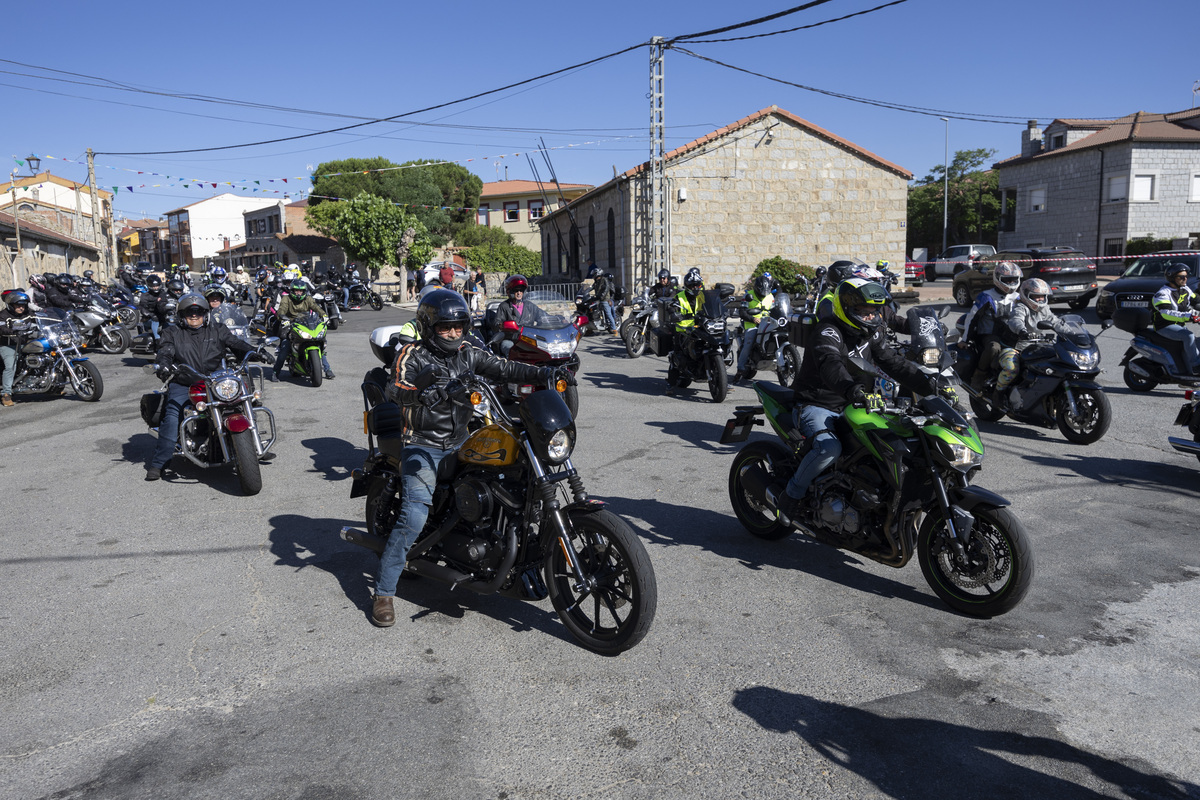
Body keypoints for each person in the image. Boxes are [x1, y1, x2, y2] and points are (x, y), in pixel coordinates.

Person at [371, 289, 574, 627]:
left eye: (459, 327)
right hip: (423, 444)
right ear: (428, 327)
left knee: (515, 472)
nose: (453, 334)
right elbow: (396, 387)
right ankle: (383, 591)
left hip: (464, 438)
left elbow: (505, 366)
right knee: (413, 518)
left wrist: (545, 373)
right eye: (445, 328)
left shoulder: (469, 352)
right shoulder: (412, 354)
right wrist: (421, 394)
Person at [775, 278, 947, 524]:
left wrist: (930, 385)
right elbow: (831, 366)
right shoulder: (828, 331)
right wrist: (854, 390)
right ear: (845, 308)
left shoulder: (871, 332)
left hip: (857, 403)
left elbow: (892, 362)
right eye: (862, 311)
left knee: (893, 442)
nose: (869, 317)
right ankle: (791, 495)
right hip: (817, 404)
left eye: (873, 311)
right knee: (829, 448)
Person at [146, 293, 264, 481]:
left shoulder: (218, 329)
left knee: (244, 401)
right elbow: (165, 351)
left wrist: (255, 351)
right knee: (172, 414)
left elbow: (235, 343)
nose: (194, 315)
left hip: (215, 381)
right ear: (181, 315)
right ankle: (159, 462)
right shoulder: (172, 332)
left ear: (206, 313)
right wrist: (164, 365)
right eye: (189, 312)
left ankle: (254, 446)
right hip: (185, 382)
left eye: (199, 311)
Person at [995, 278, 1073, 399]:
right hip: (1015, 347)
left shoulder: (1044, 309)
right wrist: (1022, 331)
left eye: (1042, 296)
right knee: (1011, 369)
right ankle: (998, 393)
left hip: (1034, 346)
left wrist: (1073, 333)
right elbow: (1016, 320)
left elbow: (1055, 322)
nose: (1040, 299)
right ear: (1026, 295)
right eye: (1036, 296)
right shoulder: (1020, 307)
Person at [960, 261, 1022, 392]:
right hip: (990, 335)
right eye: (1007, 280)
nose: (1011, 283)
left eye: (1013, 280)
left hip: (1012, 334)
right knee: (994, 348)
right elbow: (972, 317)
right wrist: (965, 340)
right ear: (998, 279)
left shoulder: (1018, 297)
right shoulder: (986, 296)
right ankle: (979, 375)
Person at [272, 279, 334, 381]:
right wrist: (283, 318)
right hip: (290, 324)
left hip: (305, 324)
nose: (298, 293)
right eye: (296, 290)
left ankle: (328, 369)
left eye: (301, 291)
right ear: (292, 290)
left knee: (318, 342)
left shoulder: (308, 298)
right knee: (285, 347)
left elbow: (316, 307)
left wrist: (324, 315)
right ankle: (275, 372)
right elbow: (281, 310)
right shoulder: (286, 299)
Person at [1151, 262, 1200, 375]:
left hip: (1180, 325)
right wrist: (1189, 316)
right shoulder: (1163, 294)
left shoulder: (1185, 289)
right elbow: (1166, 313)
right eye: (1181, 277)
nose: (1185, 279)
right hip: (1164, 326)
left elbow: (1196, 300)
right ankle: (1196, 367)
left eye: (1186, 276)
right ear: (1172, 278)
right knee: (1189, 336)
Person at [733, 273, 778, 382]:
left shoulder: (770, 296)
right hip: (752, 324)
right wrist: (753, 319)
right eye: (762, 291)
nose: (764, 294)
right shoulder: (748, 296)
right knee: (749, 342)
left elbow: (775, 310)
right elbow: (742, 312)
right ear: (757, 288)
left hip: (768, 323)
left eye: (766, 291)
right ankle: (740, 369)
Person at [492, 274, 544, 356]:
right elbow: (496, 323)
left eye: (521, 290)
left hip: (529, 339)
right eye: (516, 290)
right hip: (511, 339)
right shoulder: (504, 306)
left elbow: (543, 315)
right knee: (509, 348)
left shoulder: (530, 306)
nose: (519, 293)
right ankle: (511, 367)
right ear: (510, 292)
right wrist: (502, 325)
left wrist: (559, 318)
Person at [0, 290, 35, 407]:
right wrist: (13, 331)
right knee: (11, 366)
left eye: (23, 305)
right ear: (11, 305)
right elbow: (2, 328)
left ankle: (55, 386)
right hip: (9, 344)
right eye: (18, 305)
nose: (21, 308)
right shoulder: (3, 315)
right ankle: (6, 394)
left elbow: (41, 319)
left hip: (25, 343)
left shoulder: (28, 313)